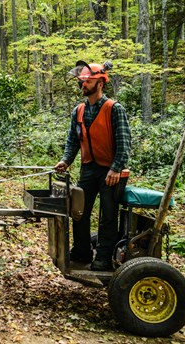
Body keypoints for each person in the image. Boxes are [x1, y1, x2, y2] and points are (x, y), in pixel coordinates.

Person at [54, 60, 131, 271]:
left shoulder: (114, 109)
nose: (83, 85)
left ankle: (104, 257)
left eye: (88, 81)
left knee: (108, 215)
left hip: (110, 170)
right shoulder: (78, 110)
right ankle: (82, 250)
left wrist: (116, 168)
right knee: (79, 211)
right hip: (88, 168)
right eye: (82, 81)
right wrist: (66, 160)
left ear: (100, 83)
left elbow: (124, 144)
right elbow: (73, 141)